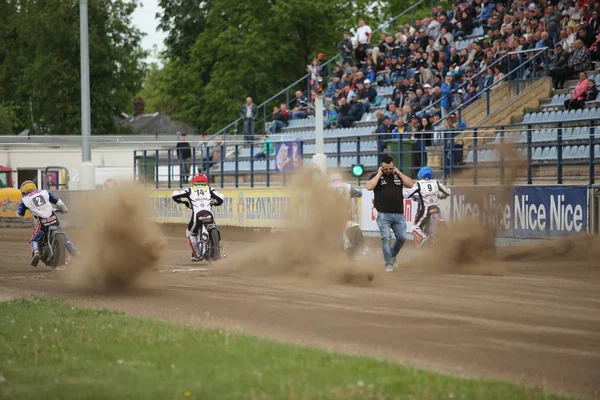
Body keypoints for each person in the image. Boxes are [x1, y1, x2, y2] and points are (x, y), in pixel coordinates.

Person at [365, 155, 414, 272]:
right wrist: (379, 174)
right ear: (381, 168)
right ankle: (388, 264)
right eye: (385, 169)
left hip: (398, 213)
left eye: (390, 169)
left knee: (402, 237)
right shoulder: (376, 176)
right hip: (382, 214)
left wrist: (399, 173)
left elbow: (410, 184)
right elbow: (369, 186)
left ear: (393, 166)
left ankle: (391, 255)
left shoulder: (398, 175)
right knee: (386, 238)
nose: (388, 171)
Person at [17, 180, 79, 267]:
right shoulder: (44, 192)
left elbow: (19, 213)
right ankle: (76, 252)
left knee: (34, 240)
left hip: (43, 223)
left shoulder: (25, 199)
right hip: (54, 219)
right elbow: (59, 202)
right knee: (64, 237)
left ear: (23, 191)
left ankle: (36, 252)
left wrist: (24, 211)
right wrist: (64, 210)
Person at [171, 174, 224, 262]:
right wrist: (216, 203)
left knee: (190, 232)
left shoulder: (190, 190)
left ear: (194, 182)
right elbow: (221, 198)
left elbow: (175, 194)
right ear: (206, 181)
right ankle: (219, 252)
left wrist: (179, 201)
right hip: (209, 214)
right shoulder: (209, 189)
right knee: (214, 226)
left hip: (197, 216)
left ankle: (197, 254)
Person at [403, 166, 451, 248]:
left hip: (425, 211)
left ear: (420, 176)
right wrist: (440, 196)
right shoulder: (436, 182)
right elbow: (447, 192)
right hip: (436, 209)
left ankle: (423, 237)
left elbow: (407, 194)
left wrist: (400, 193)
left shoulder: (419, 184)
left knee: (415, 228)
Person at [328, 171, 365, 257]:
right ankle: (358, 249)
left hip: (331, 214)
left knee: (331, 231)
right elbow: (359, 193)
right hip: (346, 213)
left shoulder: (326, 187)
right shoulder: (346, 185)